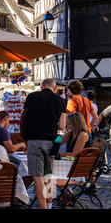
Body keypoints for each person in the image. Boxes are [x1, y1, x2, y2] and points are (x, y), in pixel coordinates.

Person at [21, 78, 66, 209]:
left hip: (33, 140)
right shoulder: (60, 100)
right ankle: (50, 205)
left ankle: (43, 207)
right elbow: (62, 126)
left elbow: (24, 118)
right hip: (52, 142)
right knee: (48, 175)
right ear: (55, 88)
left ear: (41, 87)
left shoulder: (31, 97)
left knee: (37, 176)